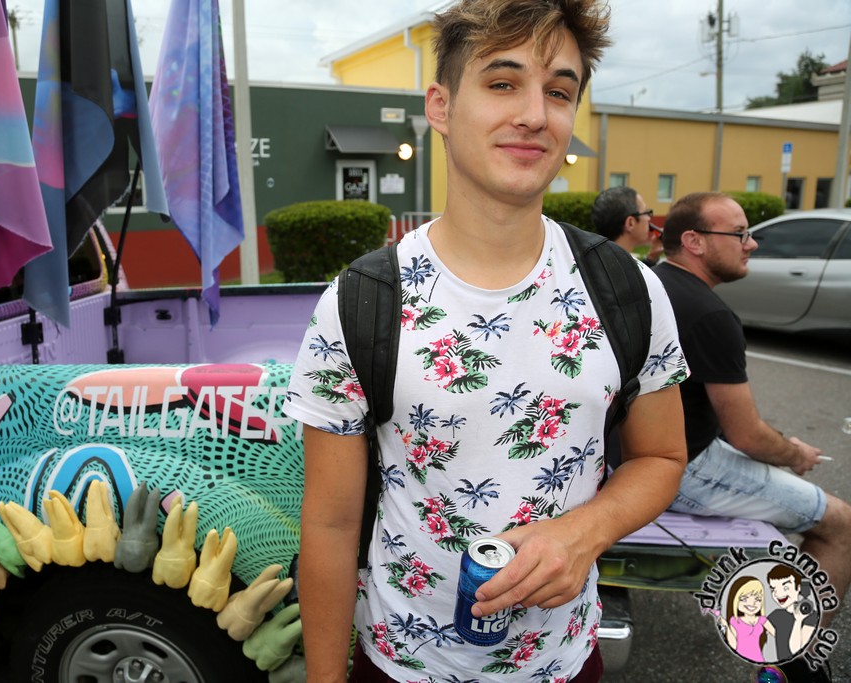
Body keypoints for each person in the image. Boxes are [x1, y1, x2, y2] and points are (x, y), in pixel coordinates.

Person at [284, 1, 689, 681]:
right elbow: (329, 525)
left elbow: (662, 456)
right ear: (440, 106)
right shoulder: (360, 302)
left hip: (566, 664)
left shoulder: (628, 289)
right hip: (402, 666)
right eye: (503, 83)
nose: (534, 114)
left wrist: (581, 533)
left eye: (558, 92)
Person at [653, 192, 851, 682]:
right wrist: (793, 453)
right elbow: (747, 435)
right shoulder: (710, 315)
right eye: (739, 233)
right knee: (843, 525)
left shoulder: (654, 281)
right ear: (694, 241)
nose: (752, 243)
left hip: (639, 452)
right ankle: (793, 660)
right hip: (683, 467)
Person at [590, 186, 662, 266]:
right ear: (630, 223)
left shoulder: (594, 262)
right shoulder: (623, 268)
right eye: (646, 212)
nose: (649, 218)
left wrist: (651, 258)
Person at [766, 565, 818, 661]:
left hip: (801, 666)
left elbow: (796, 650)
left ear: (798, 588)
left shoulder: (810, 616)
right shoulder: (776, 615)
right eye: (773, 589)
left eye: (785, 588)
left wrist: (798, 620)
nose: (778, 593)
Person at [720, 576, 774, 662]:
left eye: (758, 599)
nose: (752, 603)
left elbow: (778, 635)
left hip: (758, 659)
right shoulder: (735, 621)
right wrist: (725, 626)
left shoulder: (762, 620)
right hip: (740, 660)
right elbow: (733, 645)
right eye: (744, 599)